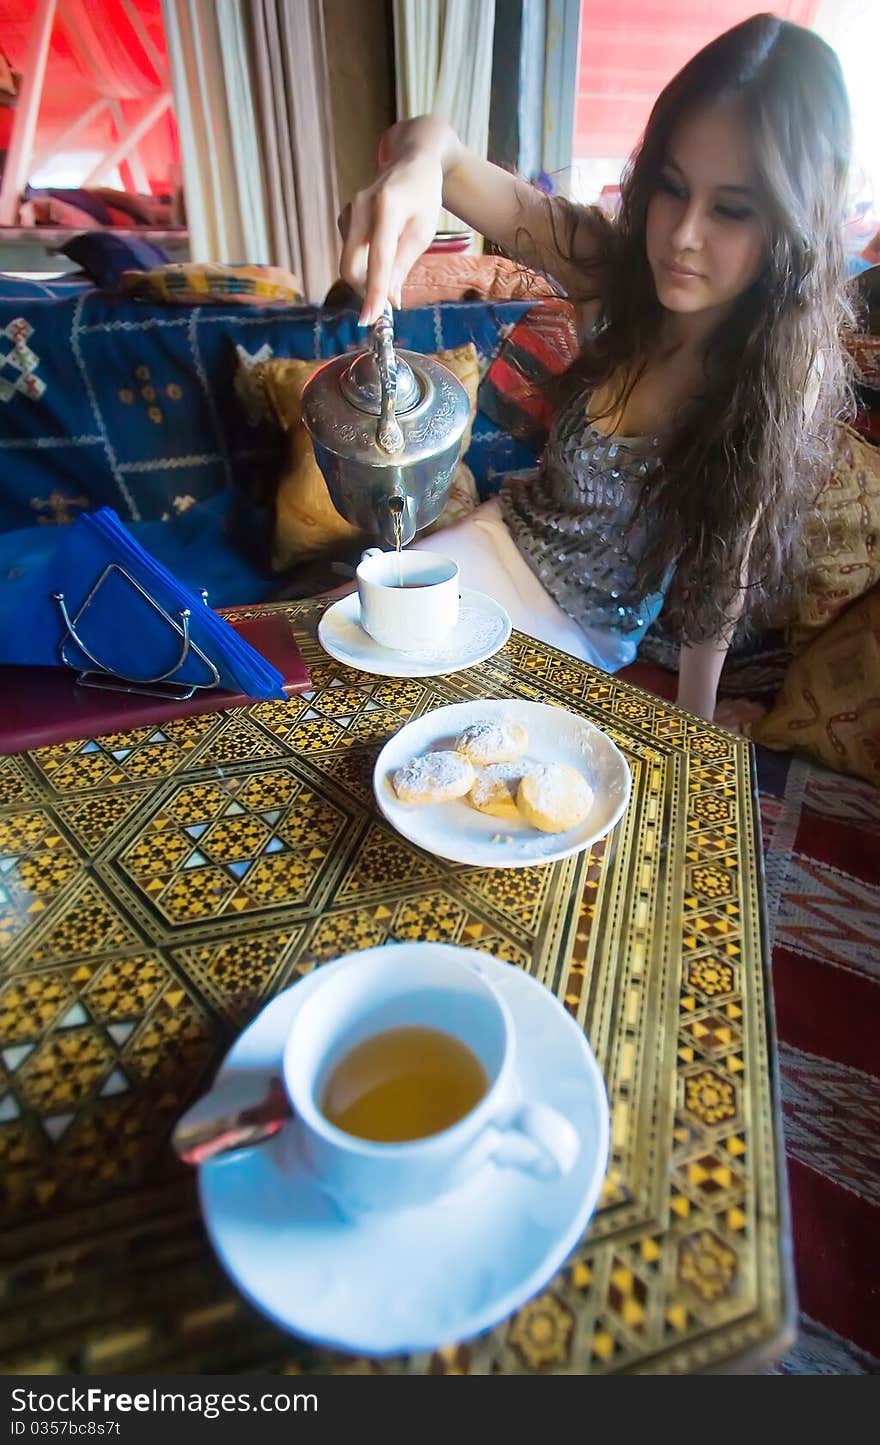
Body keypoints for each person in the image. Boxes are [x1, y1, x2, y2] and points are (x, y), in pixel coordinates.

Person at [338, 13, 854, 722]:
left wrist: (693, 733)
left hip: (576, 637)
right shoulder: (610, 272)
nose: (683, 235)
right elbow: (437, 151)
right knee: (332, 656)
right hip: (488, 543)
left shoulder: (776, 377)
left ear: (794, 225)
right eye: (673, 188)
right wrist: (417, 169)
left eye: (731, 210)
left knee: (432, 742)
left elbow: (719, 583)